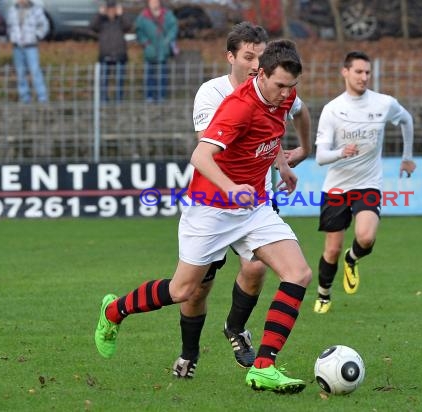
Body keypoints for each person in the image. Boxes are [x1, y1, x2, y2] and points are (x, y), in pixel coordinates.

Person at [95, 39, 312, 394]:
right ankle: (114, 312)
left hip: (254, 206)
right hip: (210, 209)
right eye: (280, 86)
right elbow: (200, 156)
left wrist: (297, 155)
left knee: (298, 273)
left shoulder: (284, 95)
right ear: (260, 74)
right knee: (183, 291)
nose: (286, 94)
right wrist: (229, 188)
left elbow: (300, 114)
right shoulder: (238, 107)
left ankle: (264, 367)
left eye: (292, 86)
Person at [172, 21, 311, 379]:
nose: (254, 64)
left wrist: (287, 160)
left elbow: (282, 121)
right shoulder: (213, 94)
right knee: (194, 290)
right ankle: (189, 353)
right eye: (248, 56)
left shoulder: (277, 90)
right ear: (231, 56)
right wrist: (233, 186)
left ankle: (236, 330)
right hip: (214, 201)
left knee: (257, 267)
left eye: (259, 56)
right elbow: (212, 150)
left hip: (256, 198)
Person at [312, 51, 416, 314]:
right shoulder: (332, 110)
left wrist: (407, 157)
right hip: (336, 187)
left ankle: (353, 258)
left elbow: (406, 120)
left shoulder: (384, 103)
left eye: (367, 72)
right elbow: (321, 156)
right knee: (332, 250)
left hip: (368, 183)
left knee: (366, 237)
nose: (364, 77)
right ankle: (324, 293)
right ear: (345, 72)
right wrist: (341, 152)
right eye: (358, 71)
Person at [6, 0, 49, 103]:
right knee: (20, 73)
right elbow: (9, 26)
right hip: (17, 47)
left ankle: (42, 98)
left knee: (35, 71)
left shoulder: (36, 10)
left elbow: (45, 25)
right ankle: (24, 98)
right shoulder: (12, 10)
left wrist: (37, 36)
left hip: (31, 46)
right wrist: (12, 37)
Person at [135, 0, 178, 102]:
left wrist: (168, 40)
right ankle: (149, 96)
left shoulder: (167, 15)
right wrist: (146, 43)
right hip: (150, 51)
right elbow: (139, 31)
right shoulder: (143, 16)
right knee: (149, 75)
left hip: (163, 50)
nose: (154, 3)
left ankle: (161, 96)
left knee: (163, 75)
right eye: (152, 1)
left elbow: (174, 28)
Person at [89, 0, 131, 103]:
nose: (111, 11)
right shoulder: (102, 21)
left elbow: (128, 26)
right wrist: (99, 14)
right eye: (109, 9)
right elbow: (92, 26)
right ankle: (103, 99)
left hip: (119, 53)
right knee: (103, 79)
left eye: (113, 9)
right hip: (105, 54)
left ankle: (119, 99)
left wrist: (122, 14)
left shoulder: (120, 21)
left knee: (119, 80)